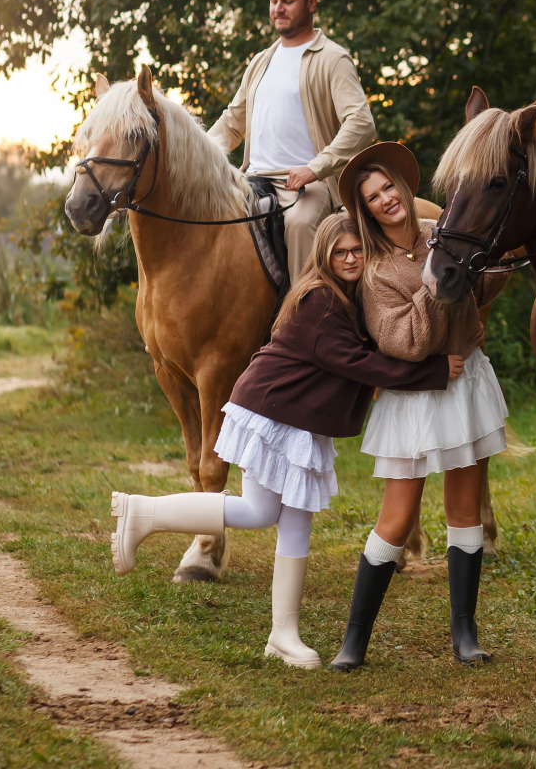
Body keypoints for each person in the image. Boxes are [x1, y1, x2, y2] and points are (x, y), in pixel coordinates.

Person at [108, 213, 464, 668]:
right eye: (340, 252)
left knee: (294, 523)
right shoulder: (319, 300)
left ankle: (283, 635)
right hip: (273, 414)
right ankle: (143, 513)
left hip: (299, 419)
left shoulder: (349, 298)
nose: (350, 258)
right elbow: (362, 365)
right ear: (324, 256)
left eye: (357, 250)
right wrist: (434, 371)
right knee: (260, 512)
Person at [328, 142, 510, 671]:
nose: (386, 199)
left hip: (464, 383)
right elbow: (403, 341)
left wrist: (486, 257)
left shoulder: (442, 234)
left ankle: (465, 633)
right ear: (365, 210)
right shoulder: (376, 272)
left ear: (404, 187)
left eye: (389, 187)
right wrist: (435, 280)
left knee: (464, 510)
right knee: (397, 518)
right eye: (373, 197)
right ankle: (354, 640)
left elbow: (481, 286)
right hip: (412, 399)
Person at [207, 0, 378, 282]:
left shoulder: (333, 58)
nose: (278, 9)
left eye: (287, 1)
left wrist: (315, 168)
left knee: (299, 225)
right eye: (273, 2)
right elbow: (232, 122)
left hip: (306, 184)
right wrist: (199, 156)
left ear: (311, 3)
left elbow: (361, 123)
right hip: (250, 180)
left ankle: (302, 308)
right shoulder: (261, 61)